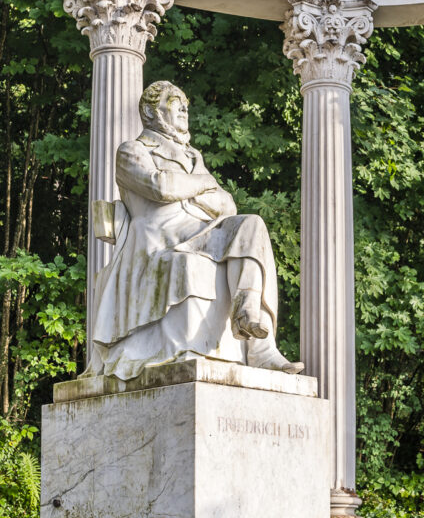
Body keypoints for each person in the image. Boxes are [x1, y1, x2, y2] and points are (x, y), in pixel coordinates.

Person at [85, 80, 303, 381]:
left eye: (185, 101)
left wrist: (186, 189)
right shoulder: (132, 150)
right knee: (193, 261)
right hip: (160, 239)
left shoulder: (192, 156)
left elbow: (227, 205)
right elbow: (160, 186)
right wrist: (201, 186)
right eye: (175, 101)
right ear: (151, 113)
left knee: (251, 224)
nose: (185, 107)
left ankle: (258, 339)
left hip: (198, 232)